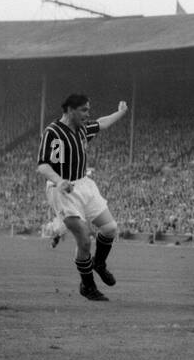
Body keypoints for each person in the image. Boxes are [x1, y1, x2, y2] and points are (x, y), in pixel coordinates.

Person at [36, 94, 129, 301]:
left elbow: (102, 123)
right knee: (84, 240)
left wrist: (120, 113)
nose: (88, 114)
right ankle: (88, 286)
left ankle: (99, 264)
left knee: (110, 229)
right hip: (62, 191)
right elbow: (43, 165)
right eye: (84, 110)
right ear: (70, 109)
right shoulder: (53, 132)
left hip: (84, 185)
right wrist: (59, 180)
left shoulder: (82, 129)